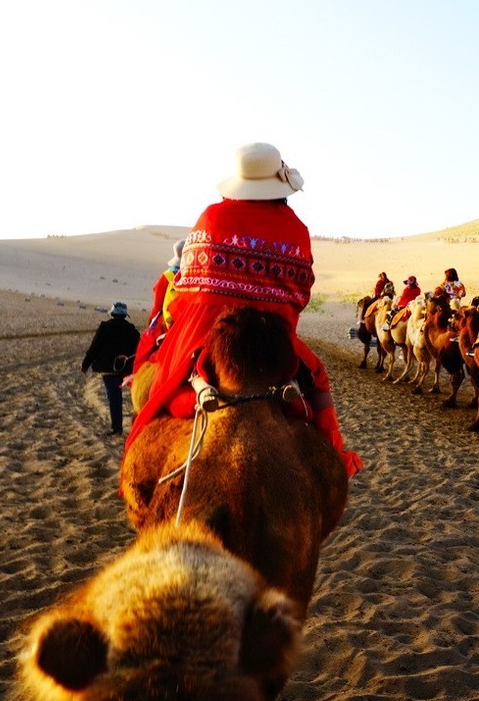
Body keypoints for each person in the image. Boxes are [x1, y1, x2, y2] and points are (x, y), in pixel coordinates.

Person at [125, 142, 362, 477]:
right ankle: (335, 461)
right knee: (317, 379)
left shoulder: (211, 216)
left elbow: (188, 288)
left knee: (160, 382)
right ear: (279, 185)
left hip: (207, 330)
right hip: (272, 334)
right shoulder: (296, 228)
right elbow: (300, 294)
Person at [81, 302, 142, 435]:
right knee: (133, 399)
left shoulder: (105, 327)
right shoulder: (132, 330)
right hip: (127, 369)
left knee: (114, 398)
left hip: (109, 369)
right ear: (125, 315)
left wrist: (86, 364)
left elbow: (94, 347)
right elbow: (140, 349)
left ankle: (117, 428)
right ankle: (137, 428)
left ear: (112, 313)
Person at [131, 238, 185, 376]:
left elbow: (157, 306)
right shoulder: (198, 274)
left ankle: (136, 378)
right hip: (191, 320)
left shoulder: (167, 276)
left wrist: (151, 325)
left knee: (145, 349)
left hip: (169, 323)